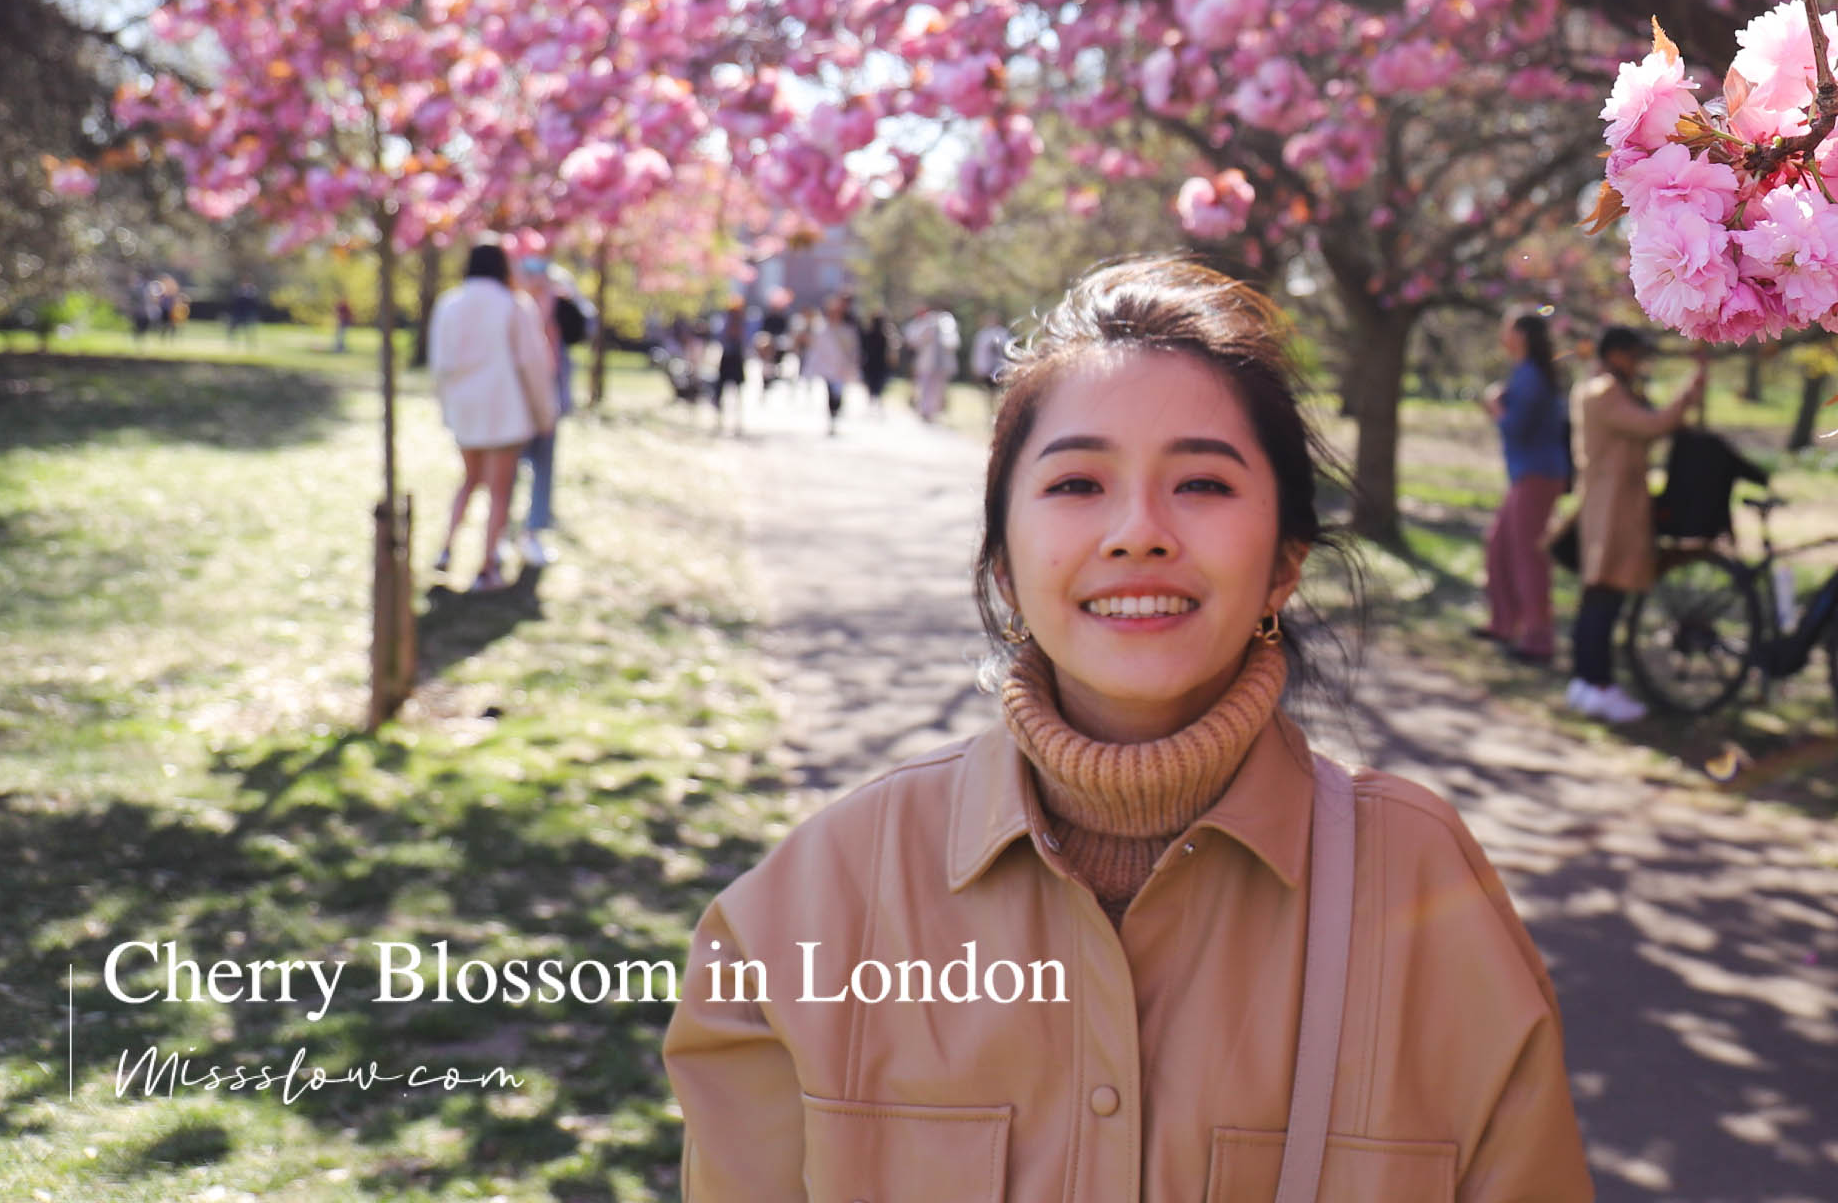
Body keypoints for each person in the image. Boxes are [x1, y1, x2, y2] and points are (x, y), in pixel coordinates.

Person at [661, 256, 1591, 1195]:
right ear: (1003, 566)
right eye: (1077, 485)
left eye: (1203, 484)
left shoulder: (1425, 890)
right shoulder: (810, 910)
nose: (1138, 531)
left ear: (1284, 565)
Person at [1567, 325, 1706, 724]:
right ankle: (1597, 684)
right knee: (1605, 598)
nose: (1638, 363)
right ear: (1614, 354)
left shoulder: (1603, 388)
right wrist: (1690, 391)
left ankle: (1587, 681)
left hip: (1611, 503)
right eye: (1633, 355)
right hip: (1613, 507)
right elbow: (1652, 425)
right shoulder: (1604, 392)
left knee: (1600, 598)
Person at [426, 242, 555, 591]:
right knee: (500, 490)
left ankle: (446, 548)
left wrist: (448, 408)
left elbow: (439, 365)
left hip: (465, 410)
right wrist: (544, 415)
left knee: (469, 479)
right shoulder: (514, 305)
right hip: (504, 411)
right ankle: (487, 567)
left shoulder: (449, 304)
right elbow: (533, 365)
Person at [1478, 310, 1570, 665]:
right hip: (1529, 475)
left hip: (1537, 476)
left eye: (1508, 329)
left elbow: (1515, 427)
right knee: (1499, 545)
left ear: (1522, 336)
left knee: (1528, 556)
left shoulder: (1530, 375)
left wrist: (1495, 406)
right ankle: (1504, 624)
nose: (1502, 335)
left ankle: (1538, 640)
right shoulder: (1526, 372)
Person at [509, 255, 584, 567]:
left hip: (549, 395)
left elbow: (580, 332)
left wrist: (569, 298)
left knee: (543, 466)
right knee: (509, 467)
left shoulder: (560, 304)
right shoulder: (512, 306)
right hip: (517, 398)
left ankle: (533, 531)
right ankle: (503, 532)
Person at [804, 295, 860, 436]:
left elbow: (853, 348)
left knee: (838, 393)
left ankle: (836, 414)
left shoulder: (847, 329)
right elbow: (814, 349)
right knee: (830, 392)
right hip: (827, 367)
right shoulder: (821, 329)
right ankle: (832, 418)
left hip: (841, 366)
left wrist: (852, 363)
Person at [906, 300, 962, 423]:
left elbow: (953, 342)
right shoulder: (925, 324)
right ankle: (924, 410)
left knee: (938, 388)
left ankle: (932, 411)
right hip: (927, 362)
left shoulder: (947, 323)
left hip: (942, 363)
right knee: (924, 386)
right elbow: (914, 341)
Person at [713, 298, 751, 435]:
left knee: (737, 394)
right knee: (721, 392)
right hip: (727, 359)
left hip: (737, 359)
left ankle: (737, 423)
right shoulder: (725, 323)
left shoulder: (743, 324)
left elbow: (746, 341)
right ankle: (719, 421)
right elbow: (720, 338)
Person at [858, 306, 894, 416]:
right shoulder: (884, 334)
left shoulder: (885, 334)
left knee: (875, 384)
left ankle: (874, 402)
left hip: (875, 363)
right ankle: (875, 403)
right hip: (876, 363)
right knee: (876, 384)